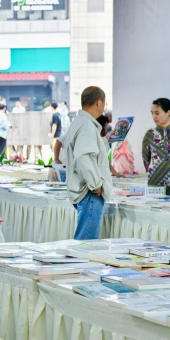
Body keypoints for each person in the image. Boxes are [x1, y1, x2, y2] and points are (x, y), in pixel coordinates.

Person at [65, 86, 112, 240]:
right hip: (90, 193)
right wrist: (96, 184)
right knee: (86, 243)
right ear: (99, 102)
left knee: (85, 241)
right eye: (104, 103)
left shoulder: (80, 122)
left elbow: (88, 152)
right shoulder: (87, 125)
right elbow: (83, 156)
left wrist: (105, 141)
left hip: (85, 191)